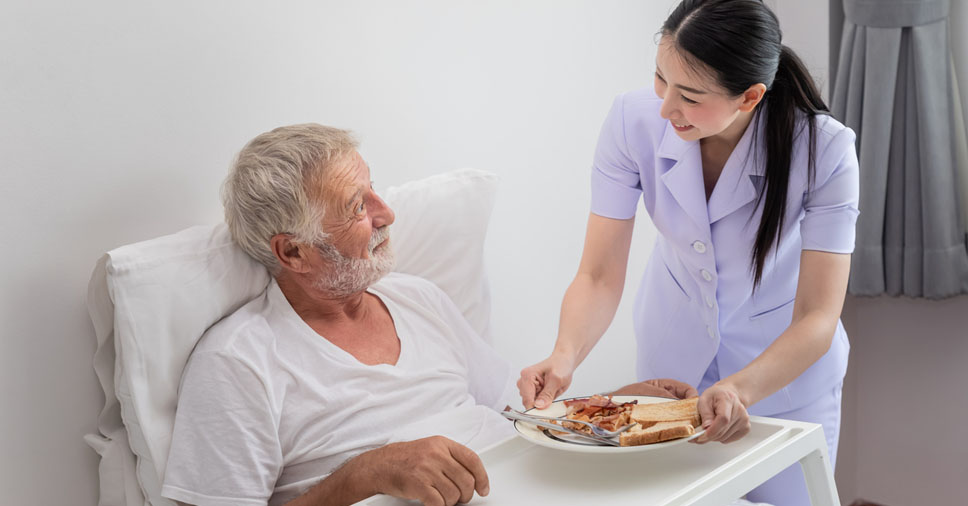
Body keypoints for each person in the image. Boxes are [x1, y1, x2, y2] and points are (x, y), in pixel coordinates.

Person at [160, 123, 695, 506]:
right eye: (356, 206)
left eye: (373, 189)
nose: (386, 213)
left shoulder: (419, 299)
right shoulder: (239, 360)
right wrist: (366, 474)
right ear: (293, 252)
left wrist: (615, 408)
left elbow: (520, 415)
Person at [517, 1, 858, 505]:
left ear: (749, 96)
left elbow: (818, 314)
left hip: (783, 380)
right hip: (670, 369)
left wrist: (741, 390)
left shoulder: (824, 149)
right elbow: (598, 275)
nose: (665, 107)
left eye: (690, 95)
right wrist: (565, 354)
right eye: (661, 78)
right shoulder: (631, 122)